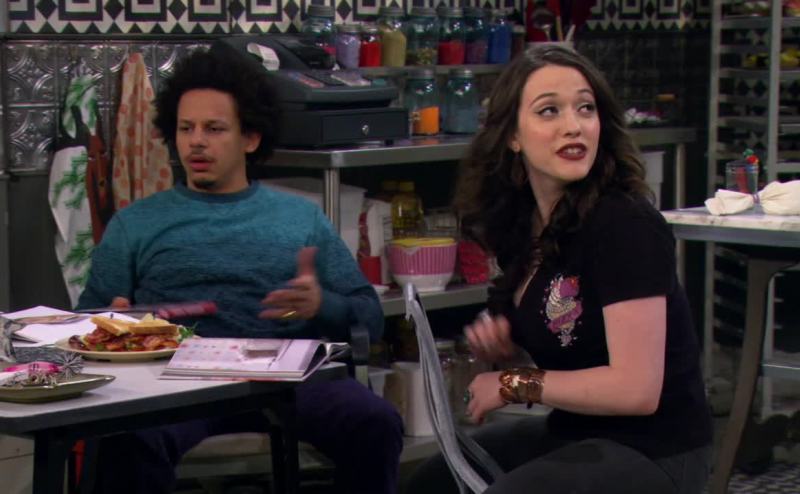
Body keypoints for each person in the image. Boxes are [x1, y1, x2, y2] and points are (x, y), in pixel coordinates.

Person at [76, 45, 403, 494]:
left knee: (377, 422)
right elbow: (85, 321)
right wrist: (113, 320)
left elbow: (370, 316)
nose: (196, 142)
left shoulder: (300, 218)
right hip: (174, 383)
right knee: (123, 438)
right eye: (186, 128)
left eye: (214, 129)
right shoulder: (136, 223)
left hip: (287, 380)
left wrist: (321, 305)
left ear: (250, 138)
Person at [408, 45, 712, 493]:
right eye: (549, 110)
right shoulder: (526, 225)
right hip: (575, 433)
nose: (574, 125)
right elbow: (569, 337)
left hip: (656, 449)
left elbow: (636, 389)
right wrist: (506, 344)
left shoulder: (624, 223)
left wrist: (514, 383)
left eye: (585, 108)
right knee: (429, 484)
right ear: (513, 135)